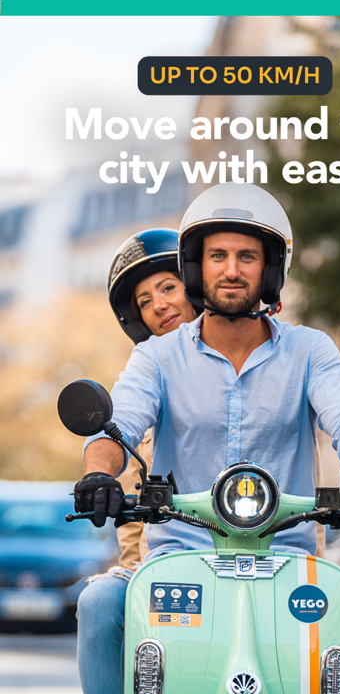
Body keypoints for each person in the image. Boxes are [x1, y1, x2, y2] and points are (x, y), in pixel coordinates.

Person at [75, 182, 340, 694]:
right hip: (178, 553)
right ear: (196, 266)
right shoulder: (156, 356)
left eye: (248, 256)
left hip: (287, 558)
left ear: (270, 269)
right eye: (219, 255)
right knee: (99, 606)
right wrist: (97, 474)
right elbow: (118, 426)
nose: (232, 269)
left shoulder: (311, 350)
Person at [107, 228, 197, 568]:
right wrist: (134, 578)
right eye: (145, 302)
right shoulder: (142, 383)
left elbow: (309, 502)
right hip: (168, 566)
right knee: (98, 603)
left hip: (264, 563)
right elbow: (132, 519)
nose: (159, 305)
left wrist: (312, 573)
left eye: (168, 288)